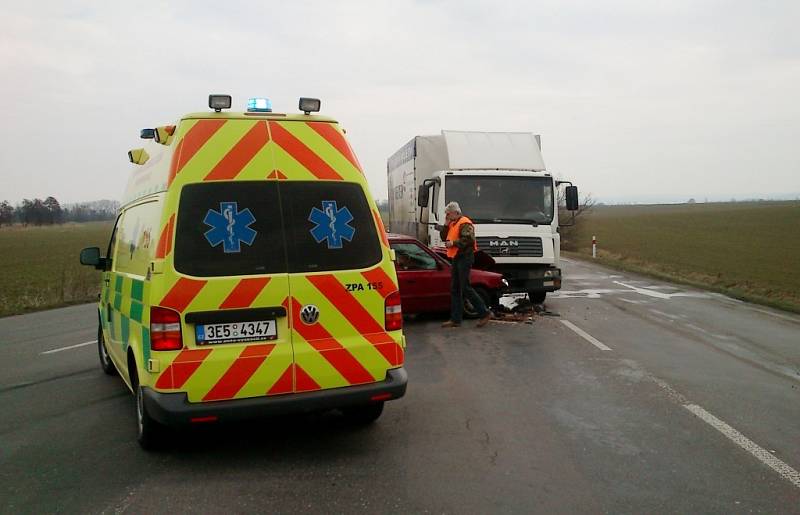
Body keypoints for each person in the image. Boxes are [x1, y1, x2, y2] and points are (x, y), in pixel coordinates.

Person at [437, 202, 492, 328]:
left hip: (465, 257)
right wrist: (445, 224)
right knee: (455, 288)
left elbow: (468, 240)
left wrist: (454, 243)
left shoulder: (464, 222)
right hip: (456, 257)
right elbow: (443, 237)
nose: (447, 215)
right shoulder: (452, 223)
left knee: (465, 287)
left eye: (448, 213)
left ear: (455, 212)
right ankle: (456, 319)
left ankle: (484, 312)